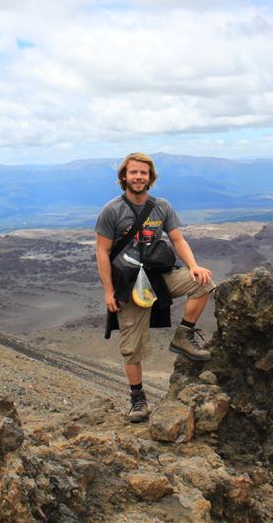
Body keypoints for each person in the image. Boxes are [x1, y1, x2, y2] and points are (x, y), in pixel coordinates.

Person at [95, 152, 215, 423]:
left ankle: (184, 335)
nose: (139, 177)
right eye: (134, 173)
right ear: (123, 177)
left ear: (151, 178)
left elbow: (177, 238)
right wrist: (108, 291)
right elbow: (102, 252)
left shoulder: (161, 206)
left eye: (144, 173)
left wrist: (194, 265)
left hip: (159, 276)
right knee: (132, 347)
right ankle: (138, 400)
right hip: (129, 285)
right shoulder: (111, 211)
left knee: (203, 283)